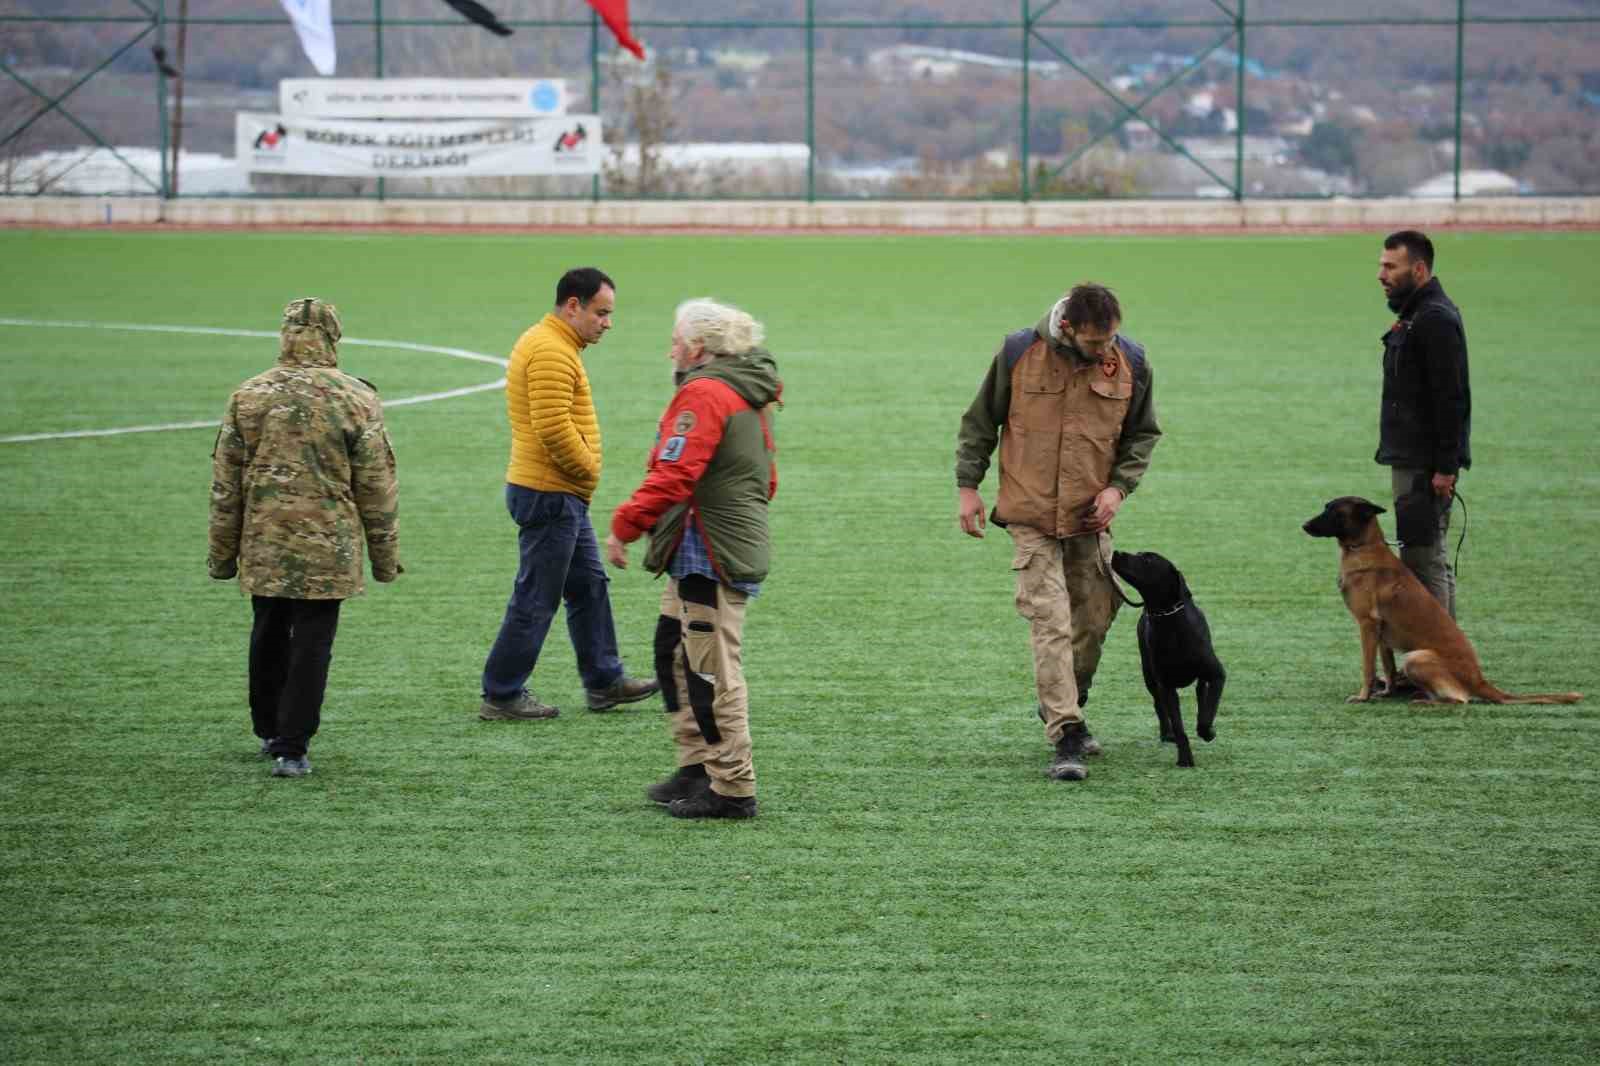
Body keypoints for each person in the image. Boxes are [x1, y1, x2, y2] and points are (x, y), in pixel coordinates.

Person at [955, 282, 1161, 782]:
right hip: (1030, 514)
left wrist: (1117, 490)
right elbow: (980, 421)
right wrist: (968, 486)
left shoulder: (1131, 359)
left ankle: (1067, 697)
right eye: (1095, 343)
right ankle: (1067, 732)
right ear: (1067, 327)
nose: (1104, 351)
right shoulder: (1017, 352)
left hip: (1091, 518)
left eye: (1110, 339)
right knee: (1050, 620)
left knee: (1092, 620)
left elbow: (1142, 434)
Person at [208, 297, 402, 778]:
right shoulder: (355, 399)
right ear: (334, 338)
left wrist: (221, 556)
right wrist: (384, 557)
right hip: (327, 546)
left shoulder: (248, 396)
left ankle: (269, 729)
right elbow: (376, 486)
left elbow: (225, 485)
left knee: (268, 630)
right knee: (313, 642)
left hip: (264, 541)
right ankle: (293, 746)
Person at [605, 298, 782, 820]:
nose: (671, 350)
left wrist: (625, 524)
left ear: (698, 346)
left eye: (676, 340)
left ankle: (732, 788)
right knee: (674, 653)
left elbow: (674, 473)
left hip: (709, 551)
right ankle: (697, 767)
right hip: (701, 543)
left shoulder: (705, 393)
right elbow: (764, 478)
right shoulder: (743, 389)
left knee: (709, 670)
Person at [479, 267, 658, 721]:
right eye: (601, 312)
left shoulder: (552, 343)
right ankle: (502, 693)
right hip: (550, 492)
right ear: (573, 305)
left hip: (556, 494)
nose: (607, 323)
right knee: (537, 595)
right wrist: (589, 468)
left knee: (588, 586)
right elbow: (553, 427)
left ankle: (604, 680)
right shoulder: (551, 351)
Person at [1375, 229, 1470, 620]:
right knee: (1430, 561)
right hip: (1416, 461)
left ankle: (1437, 670)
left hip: (1424, 466)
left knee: (1423, 564)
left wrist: (1445, 468)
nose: (1381, 274)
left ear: (1418, 269)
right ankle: (1443, 664)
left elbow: (1452, 399)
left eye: (1390, 266)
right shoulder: (1417, 315)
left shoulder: (1434, 320)